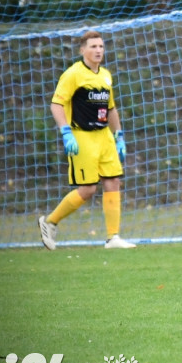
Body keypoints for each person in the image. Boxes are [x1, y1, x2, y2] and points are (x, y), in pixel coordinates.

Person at [38, 31, 135, 250]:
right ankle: (49, 222)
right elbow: (56, 104)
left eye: (101, 46)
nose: (98, 50)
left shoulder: (106, 76)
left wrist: (119, 135)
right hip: (82, 136)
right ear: (82, 50)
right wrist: (66, 132)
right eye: (93, 46)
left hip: (104, 137)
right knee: (88, 189)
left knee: (113, 181)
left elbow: (111, 108)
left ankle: (113, 238)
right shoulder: (73, 74)